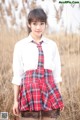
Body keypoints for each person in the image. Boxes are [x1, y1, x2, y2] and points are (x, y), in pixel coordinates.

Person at [12, 8, 64, 120]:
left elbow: (56, 74)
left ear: (45, 25)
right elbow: (17, 76)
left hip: (50, 92)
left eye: (42, 23)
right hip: (29, 93)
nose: (38, 27)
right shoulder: (20, 45)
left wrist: (59, 96)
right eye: (35, 23)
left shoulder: (52, 45)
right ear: (29, 24)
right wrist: (15, 101)